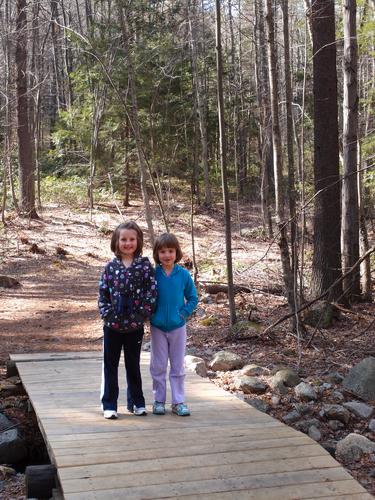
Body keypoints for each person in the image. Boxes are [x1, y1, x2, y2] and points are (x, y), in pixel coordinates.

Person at [98, 221, 157, 419]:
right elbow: (103, 293)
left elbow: (151, 291)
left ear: (138, 241)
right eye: (123, 239)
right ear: (116, 241)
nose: (127, 243)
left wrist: (142, 314)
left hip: (134, 326)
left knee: (133, 364)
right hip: (112, 326)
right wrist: (107, 314)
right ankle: (109, 404)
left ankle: (137, 402)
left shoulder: (144, 266)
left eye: (132, 239)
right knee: (110, 365)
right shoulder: (110, 267)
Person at [150, 233, 198, 416]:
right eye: (162, 252)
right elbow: (146, 297)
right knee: (158, 365)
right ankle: (159, 400)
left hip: (178, 327)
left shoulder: (183, 274)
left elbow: (193, 298)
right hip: (158, 327)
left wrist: (183, 313)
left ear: (176, 252)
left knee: (177, 366)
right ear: (157, 254)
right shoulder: (154, 274)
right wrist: (151, 314)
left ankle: (178, 402)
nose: (167, 255)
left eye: (170, 251)